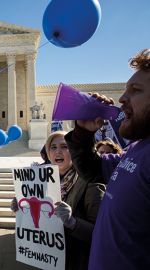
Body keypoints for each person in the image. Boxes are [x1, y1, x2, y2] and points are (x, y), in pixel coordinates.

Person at [65, 48, 150, 269]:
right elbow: (92, 170)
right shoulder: (136, 149)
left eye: (135, 89)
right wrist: (83, 132)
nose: (122, 98)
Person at [12, 131, 106, 270]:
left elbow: (100, 233)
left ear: (74, 151)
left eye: (64, 146)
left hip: (75, 261)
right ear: (48, 153)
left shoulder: (91, 181)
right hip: (47, 258)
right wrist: (22, 209)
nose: (58, 152)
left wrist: (73, 222)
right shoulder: (40, 181)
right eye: (53, 147)